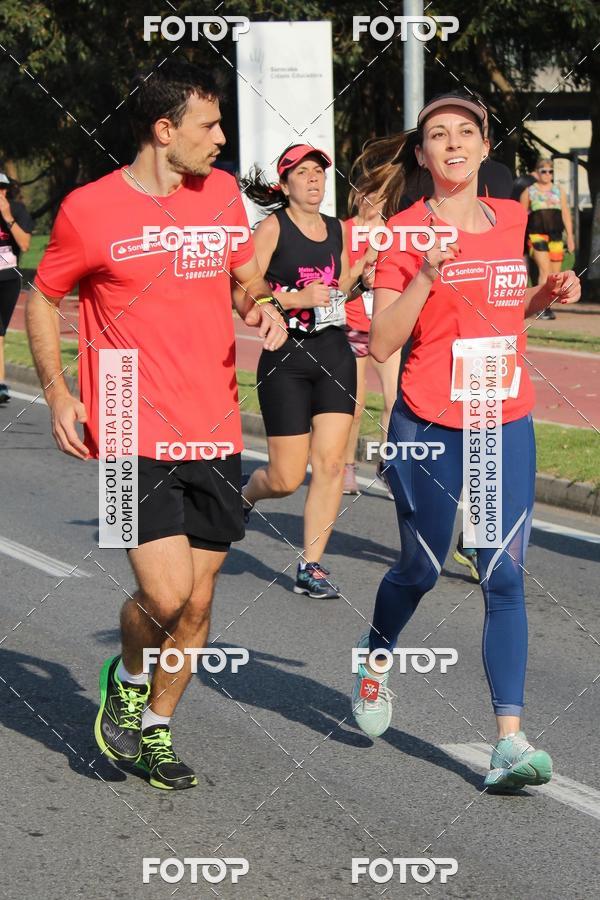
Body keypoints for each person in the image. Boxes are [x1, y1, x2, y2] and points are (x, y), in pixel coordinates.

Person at [26, 60, 287, 791]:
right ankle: (128, 676)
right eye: (210, 125)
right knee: (166, 596)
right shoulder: (89, 209)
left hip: (214, 425)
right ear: (164, 130)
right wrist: (57, 393)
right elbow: (43, 297)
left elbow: (244, 277)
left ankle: (157, 730)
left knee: (199, 602)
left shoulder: (222, 193)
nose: (222, 138)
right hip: (125, 423)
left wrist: (264, 306)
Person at [349, 91, 581, 791]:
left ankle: (509, 742)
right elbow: (381, 340)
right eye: (438, 135)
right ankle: (375, 657)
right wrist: (426, 272)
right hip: (428, 421)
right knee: (421, 569)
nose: (453, 143)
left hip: (502, 416)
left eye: (465, 132)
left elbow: (503, 312)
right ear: (422, 155)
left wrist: (546, 296)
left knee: (501, 573)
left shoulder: (511, 218)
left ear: (484, 147)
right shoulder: (401, 233)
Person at [240, 145, 360, 599]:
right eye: (303, 173)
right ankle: (246, 494)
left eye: (319, 173)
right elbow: (241, 293)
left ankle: (311, 567)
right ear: (285, 183)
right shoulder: (272, 228)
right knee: (285, 478)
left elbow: (336, 289)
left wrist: (359, 276)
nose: (313, 180)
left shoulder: (337, 228)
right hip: (286, 359)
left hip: (334, 355)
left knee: (330, 464)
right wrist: (295, 299)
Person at [342, 181, 400, 498]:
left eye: (381, 196)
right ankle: (347, 466)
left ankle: (387, 466)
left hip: (384, 326)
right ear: (357, 196)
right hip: (352, 326)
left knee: (394, 401)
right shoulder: (346, 230)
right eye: (369, 195)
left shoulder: (394, 231)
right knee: (355, 403)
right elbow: (341, 281)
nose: (375, 201)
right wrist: (366, 259)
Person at [520, 157, 575, 320]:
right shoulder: (529, 191)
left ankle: (547, 305)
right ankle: (541, 307)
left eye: (550, 171)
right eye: (543, 171)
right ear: (537, 172)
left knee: (555, 275)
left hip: (556, 235)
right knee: (544, 270)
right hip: (537, 234)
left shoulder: (559, 191)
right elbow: (521, 216)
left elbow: (566, 214)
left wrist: (570, 237)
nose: (547, 174)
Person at [0, 173, 33, 404]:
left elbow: (25, 244)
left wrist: (7, 217)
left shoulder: (17, 210)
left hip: (9, 279)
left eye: (3, 188)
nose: (0, 193)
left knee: (0, 334)